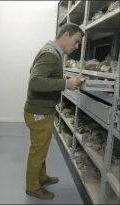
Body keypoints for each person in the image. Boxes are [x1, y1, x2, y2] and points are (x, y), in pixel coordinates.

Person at [24, 23, 85, 200]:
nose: (76, 46)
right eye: (76, 41)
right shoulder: (50, 54)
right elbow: (35, 81)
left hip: (42, 110)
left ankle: (40, 177)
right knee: (38, 151)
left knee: (41, 148)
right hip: (39, 112)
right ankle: (32, 186)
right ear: (66, 35)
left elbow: (36, 74)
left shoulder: (50, 52)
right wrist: (65, 84)